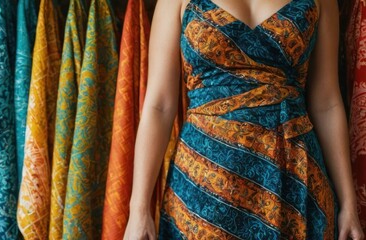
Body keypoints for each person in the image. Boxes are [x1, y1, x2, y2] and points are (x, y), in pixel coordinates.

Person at [123, 0, 366, 239]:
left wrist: (348, 204)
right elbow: (159, 107)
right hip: (204, 187)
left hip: (293, 182)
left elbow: (327, 104)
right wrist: (139, 209)